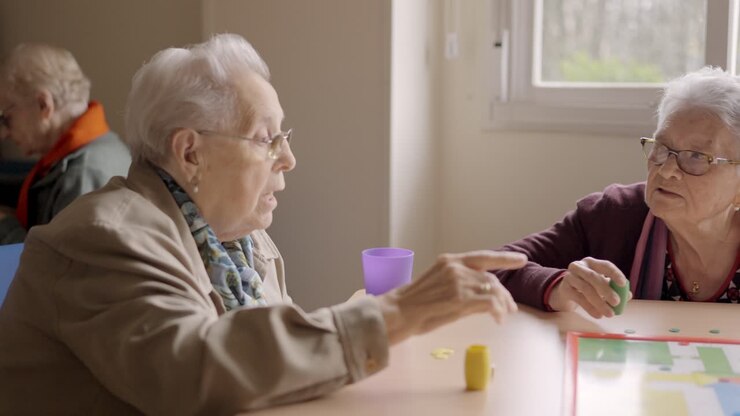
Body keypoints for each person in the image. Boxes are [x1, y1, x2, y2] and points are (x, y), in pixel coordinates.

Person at [0, 34, 526, 415]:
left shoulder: (241, 243)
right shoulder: (106, 237)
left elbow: (266, 374)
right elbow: (193, 372)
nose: (289, 158)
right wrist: (393, 313)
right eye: (266, 138)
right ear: (190, 153)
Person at [495, 66, 740, 318]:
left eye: (697, 157)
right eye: (663, 148)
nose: (666, 171)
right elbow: (490, 267)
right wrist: (557, 285)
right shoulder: (614, 215)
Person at [0, 43, 131, 244]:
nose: (4, 133)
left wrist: (6, 226)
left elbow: (56, 268)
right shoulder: (104, 147)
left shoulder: (83, 174)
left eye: (6, 118)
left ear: (44, 105)